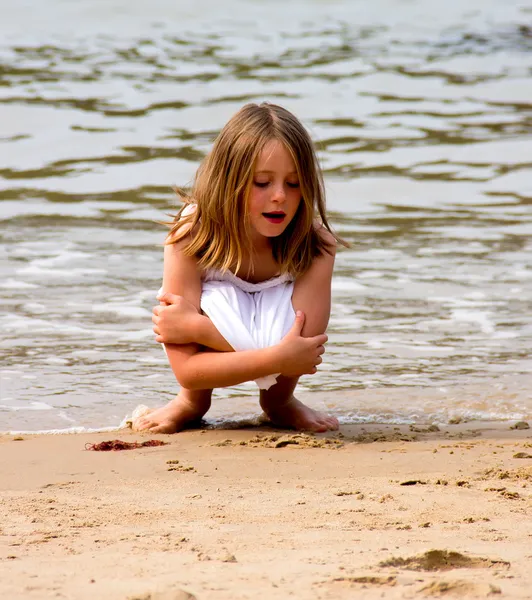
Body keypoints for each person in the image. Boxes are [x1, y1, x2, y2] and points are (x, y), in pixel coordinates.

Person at [133, 102, 343, 434]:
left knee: (287, 327)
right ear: (228, 180)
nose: (279, 196)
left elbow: (303, 352)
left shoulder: (315, 245)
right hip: (205, 370)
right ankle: (192, 402)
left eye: (293, 183)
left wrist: (199, 330)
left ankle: (279, 402)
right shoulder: (193, 234)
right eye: (262, 182)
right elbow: (187, 370)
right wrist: (280, 356)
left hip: (270, 349)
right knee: (217, 300)